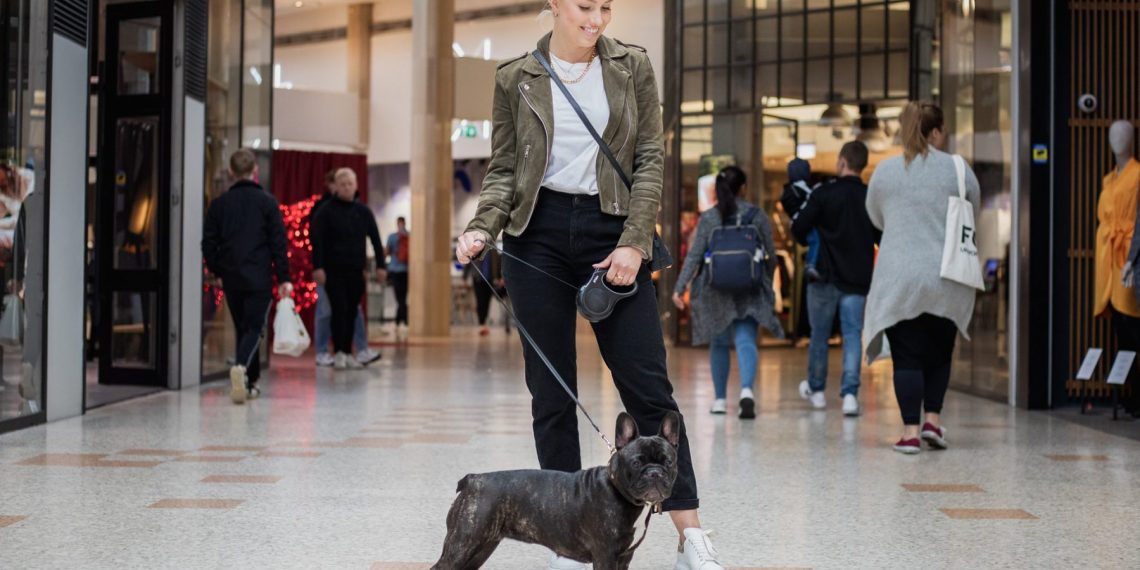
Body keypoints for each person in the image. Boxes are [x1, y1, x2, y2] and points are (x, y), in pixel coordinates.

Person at [454, 2, 724, 568]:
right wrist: (482, 228)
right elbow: (504, 169)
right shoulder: (515, 77)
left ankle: (690, 536)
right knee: (551, 396)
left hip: (612, 228)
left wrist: (634, 241)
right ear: (555, 3)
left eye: (606, 5)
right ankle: (565, 543)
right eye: (585, 5)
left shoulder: (632, 66)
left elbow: (650, 157)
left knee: (648, 389)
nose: (597, 17)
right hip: (536, 235)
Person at [863, 102, 980, 454]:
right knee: (940, 353)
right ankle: (933, 421)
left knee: (908, 356)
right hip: (948, 275)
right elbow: (973, 208)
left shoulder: (885, 171)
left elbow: (875, 216)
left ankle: (911, 432)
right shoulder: (958, 169)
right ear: (937, 131)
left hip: (900, 276)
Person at [672, 166, 782, 419]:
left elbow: (694, 257)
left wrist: (680, 287)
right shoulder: (756, 215)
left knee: (719, 343)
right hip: (749, 287)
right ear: (743, 188)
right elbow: (771, 255)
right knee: (745, 339)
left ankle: (720, 399)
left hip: (716, 289)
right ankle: (746, 392)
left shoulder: (710, 217)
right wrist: (765, 276)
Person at [791, 141, 879, 417]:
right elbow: (880, 236)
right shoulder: (870, 197)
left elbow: (798, 227)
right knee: (853, 335)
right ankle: (850, 395)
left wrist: (815, 240)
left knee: (820, 335)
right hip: (857, 278)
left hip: (824, 276)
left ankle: (817, 391)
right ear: (862, 164)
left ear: (842, 161)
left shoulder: (824, 194)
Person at [202, 149, 293, 404]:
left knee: (244, 327)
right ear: (256, 170)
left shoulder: (219, 205)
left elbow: (208, 244)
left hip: (231, 277)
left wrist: (218, 271)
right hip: (259, 276)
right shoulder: (267, 202)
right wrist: (284, 277)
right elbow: (278, 243)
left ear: (230, 172)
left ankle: (250, 383)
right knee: (254, 327)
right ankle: (241, 368)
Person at [311, 168, 386, 370]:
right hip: (332, 271)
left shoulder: (363, 212)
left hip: (356, 270)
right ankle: (339, 352)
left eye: (350, 184)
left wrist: (380, 265)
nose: (346, 187)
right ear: (336, 187)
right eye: (342, 184)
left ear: (356, 186)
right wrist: (317, 267)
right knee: (337, 311)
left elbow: (376, 240)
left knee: (352, 310)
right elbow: (316, 241)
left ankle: (349, 351)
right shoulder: (325, 211)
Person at [782, 158, 822, 282]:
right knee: (815, 239)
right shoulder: (790, 192)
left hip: (808, 222)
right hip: (802, 223)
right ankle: (811, 264)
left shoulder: (807, 187)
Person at [384, 216, 410, 341]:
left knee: (399, 298)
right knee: (403, 297)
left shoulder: (392, 237)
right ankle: (401, 321)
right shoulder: (409, 236)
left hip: (395, 270)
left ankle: (401, 321)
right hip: (406, 271)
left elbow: (386, 252)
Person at [467, 248, 504, 336]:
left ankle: (484, 323)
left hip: (490, 279)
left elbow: (498, 264)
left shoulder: (493, 250)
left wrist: (499, 277)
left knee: (487, 301)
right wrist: (465, 277)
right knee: (480, 301)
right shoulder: (476, 248)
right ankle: (481, 323)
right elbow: (468, 263)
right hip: (478, 279)